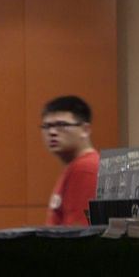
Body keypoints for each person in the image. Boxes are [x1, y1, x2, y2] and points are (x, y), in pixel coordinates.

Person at [43, 95, 98, 226]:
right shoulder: (74, 166)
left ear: (85, 130)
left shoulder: (84, 168)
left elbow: (78, 230)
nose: (52, 132)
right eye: (47, 126)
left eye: (61, 125)